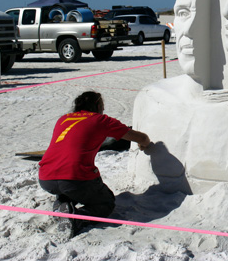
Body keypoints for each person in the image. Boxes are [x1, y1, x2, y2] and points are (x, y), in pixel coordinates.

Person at [38, 91, 151, 238]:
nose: (103, 110)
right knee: (106, 202)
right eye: (102, 106)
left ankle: (62, 205)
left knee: (67, 190)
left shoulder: (63, 119)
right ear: (97, 105)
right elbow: (140, 137)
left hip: (46, 177)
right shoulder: (100, 120)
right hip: (74, 177)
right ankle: (76, 218)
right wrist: (145, 143)